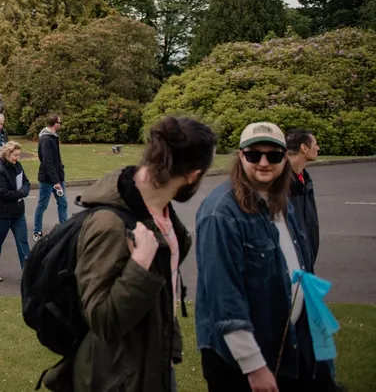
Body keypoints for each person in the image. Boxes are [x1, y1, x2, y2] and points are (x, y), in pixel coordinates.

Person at [43, 116, 216, 392]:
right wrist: (139, 266)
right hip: (115, 379)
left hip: (153, 366)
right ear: (194, 174)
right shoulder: (109, 224)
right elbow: (102, 320)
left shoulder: (161, 212)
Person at [195, 122, 338, 392]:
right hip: (241, 362)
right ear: (241, 156)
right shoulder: (221, 214)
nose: (264, 162)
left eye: (273, 155)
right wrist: (254, 366)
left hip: (286, 343)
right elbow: (224, 298)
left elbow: (300, 270)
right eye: (253, 155)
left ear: (285, 157)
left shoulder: (279, 199)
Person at [0, 141, 31, 281]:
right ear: (7, 154)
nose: (17, 158)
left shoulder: (17, 165)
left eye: (18, 155)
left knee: (23, 242)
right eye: (15, 155)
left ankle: (28, 273)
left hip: (18, 212)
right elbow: (1, 192)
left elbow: (26, 182)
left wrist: (23, 190)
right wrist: (21, 193)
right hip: (2, 213)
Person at [286, 129, 321, 265]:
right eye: (315, 144)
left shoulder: (304, 180)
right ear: (304, 148)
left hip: (306, 261)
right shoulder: (281, 184)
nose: (317, 148)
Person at [33, 114, 68, 242]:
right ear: (56, 124)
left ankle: (64, 230)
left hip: (57, 177)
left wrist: (60, 170)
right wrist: (56, 181)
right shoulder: (46, 139)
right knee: (42, 205)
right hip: (48, 180)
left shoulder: (53, 137)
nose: (60, 124)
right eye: (60, 122)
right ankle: (37, 231)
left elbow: (55, 158)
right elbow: (47, 161)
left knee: (63, 204)